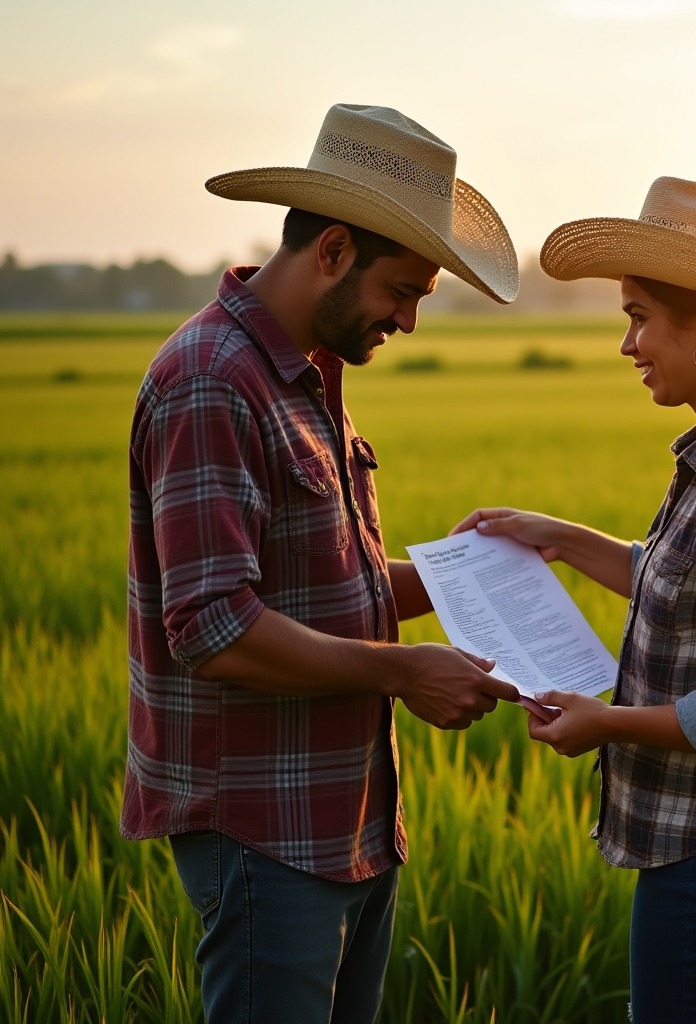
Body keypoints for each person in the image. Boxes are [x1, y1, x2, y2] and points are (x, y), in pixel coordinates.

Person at [120, 103, 522, 1024]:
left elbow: (337, 593)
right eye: (404, 291)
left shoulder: (309, 377)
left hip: (349, 822)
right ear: (333, 250)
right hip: (265, 834)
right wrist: (405, 672)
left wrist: (480, 571)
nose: (411, 321)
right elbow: (215, 628)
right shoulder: (213, 378)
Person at [452, 177, 696, 1023]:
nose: (627, 343)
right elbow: (690, 589)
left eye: (639, 316)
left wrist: (609, 723)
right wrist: (557, 535)